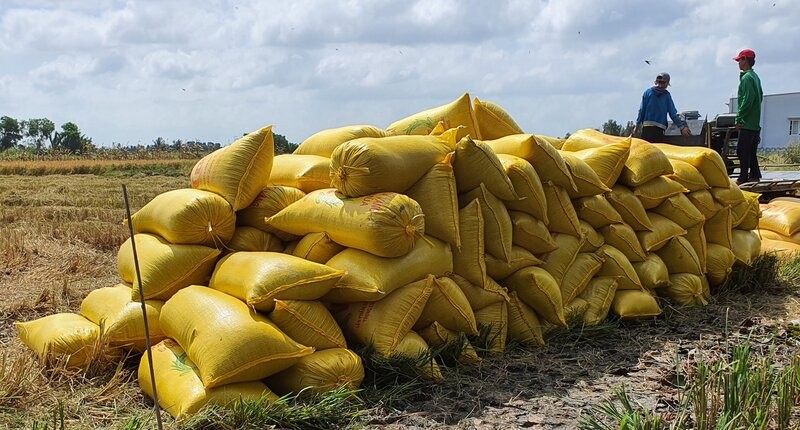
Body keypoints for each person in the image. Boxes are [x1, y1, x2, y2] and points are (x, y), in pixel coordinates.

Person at [733, 48, 764, 184]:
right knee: (751, 150)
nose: (738, 63)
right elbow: (760, 96)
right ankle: (755, 174)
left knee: (742, 150)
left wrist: (740, 117)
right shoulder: (755, 77)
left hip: (747, 121)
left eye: (740, 60)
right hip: (754, 121)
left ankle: (743, 177)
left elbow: (747, 99)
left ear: (745, 60)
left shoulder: (747, 78)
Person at [633, 72, 692, 143]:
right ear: (666, 84)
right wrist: (682, 127)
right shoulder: (666, 95)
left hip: (646, 129)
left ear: (656, 82)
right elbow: (673, 114)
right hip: (659, 131)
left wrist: (637, 125)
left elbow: (641, 111)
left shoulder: (647, 92)